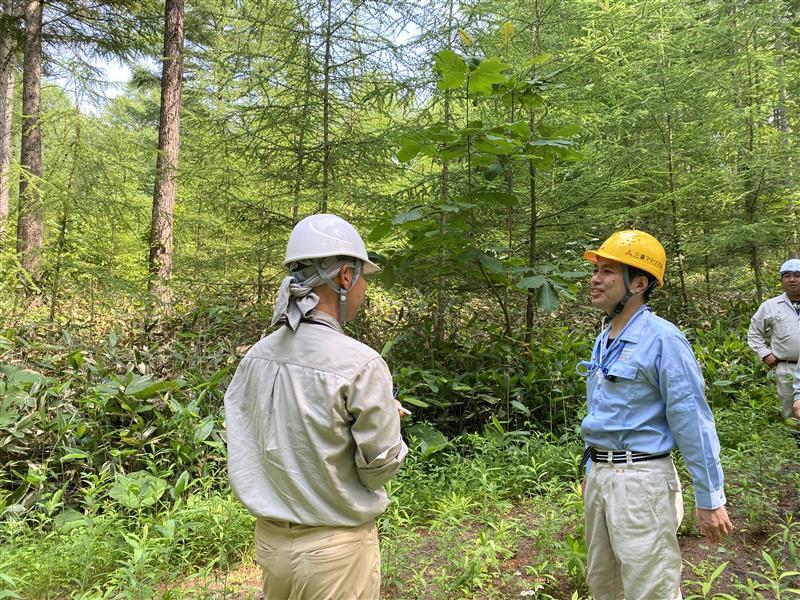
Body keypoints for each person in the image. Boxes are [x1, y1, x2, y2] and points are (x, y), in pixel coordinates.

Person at [224, 213, 408, 599]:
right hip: (336, 552)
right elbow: (378, 469)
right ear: (345, 276)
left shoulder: (255, 357)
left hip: (271, 546)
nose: (363, 290)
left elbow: (252, 441)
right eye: (364, 278)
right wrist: (390, 421)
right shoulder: (360, 364)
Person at [576, 230, 732, 600]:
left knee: (650, 589)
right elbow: (604, 413)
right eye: (596, 270)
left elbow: (692, 420)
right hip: (601, 477)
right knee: (604, 585)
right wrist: (591, 468)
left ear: (639, 283)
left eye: (608, 271)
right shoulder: (606, 337)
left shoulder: (663, 340)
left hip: (641, 481)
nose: (595, 279)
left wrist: (709, 497)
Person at [748, 259, 800, 423]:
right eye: (787, 276)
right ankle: (795, 445)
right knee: (792, 412)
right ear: (782, 280)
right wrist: (765, 354)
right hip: (786, 367)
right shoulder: (770, 306)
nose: (792, 279)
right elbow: (754, 332)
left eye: (797, 275)